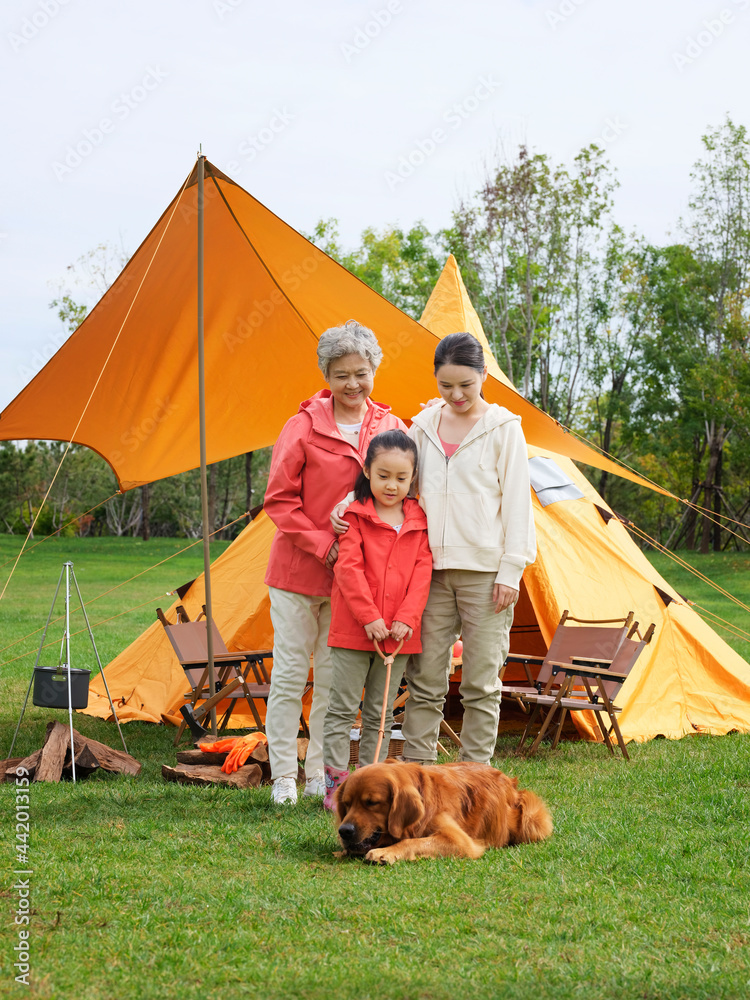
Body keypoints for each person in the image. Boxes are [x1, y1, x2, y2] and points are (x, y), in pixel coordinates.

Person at [263, 319, 406, 805]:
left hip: (351, 583)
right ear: (326, 374)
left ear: (374, 371)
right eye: (341, 374)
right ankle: (283, 773)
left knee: (330, 680)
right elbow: (279, 501)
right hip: (297, 574)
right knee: (288, 673)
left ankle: (318, 776)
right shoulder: (301, 426)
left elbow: (405, 492)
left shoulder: (390, 427)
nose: (352, 384)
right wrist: (324, 543)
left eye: (361, 373)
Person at [401, 332, 536, 764]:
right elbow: (394, 482)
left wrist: (511, 569)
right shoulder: (420, 427)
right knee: (424, 680)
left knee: (481, 682)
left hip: (486, 576)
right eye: (446, 386)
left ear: (483, 376)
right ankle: (418, 773)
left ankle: (474, 776)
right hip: (430, 573)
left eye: (466, 384)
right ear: (435, 381)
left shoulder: (504, 429)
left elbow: (518, 504)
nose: (456, 394)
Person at [321, 430, 433, 809]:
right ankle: (336, 790)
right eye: (383, 475)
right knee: (341, 709)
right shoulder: (354, 516)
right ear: (367, 471)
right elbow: (348, 570)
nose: (392, 485)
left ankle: (370, 786)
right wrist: (368, 617)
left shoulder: (419, 518)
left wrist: (407, 619)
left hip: (397, 637)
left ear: (413, 478)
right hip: (355, 632)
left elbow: (422, 573)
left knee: (381, 714)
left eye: (402, 478)